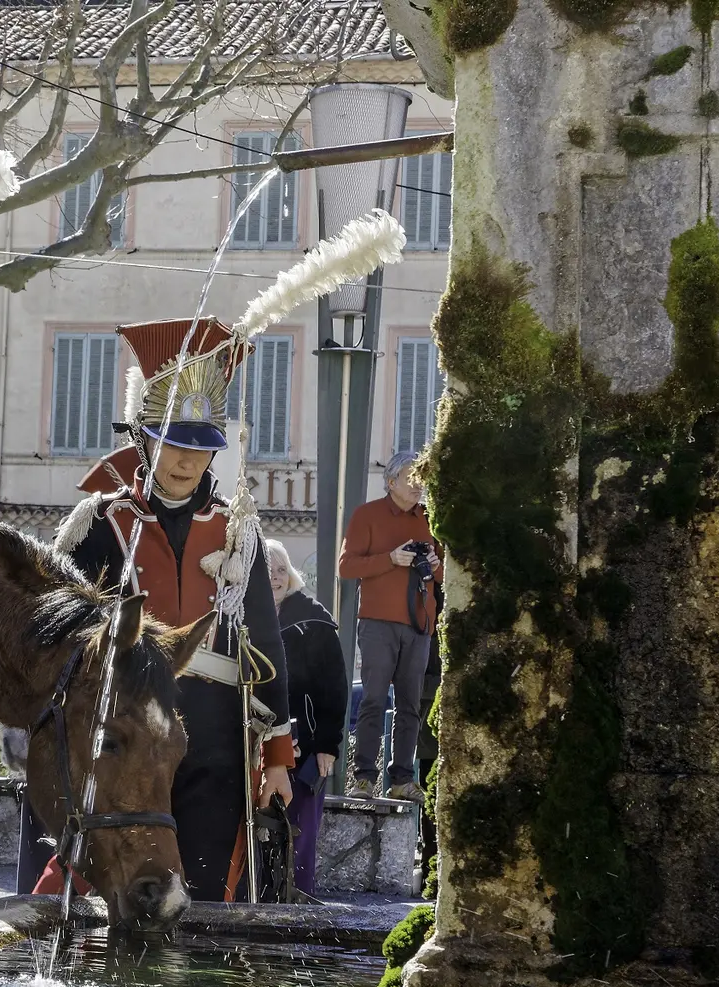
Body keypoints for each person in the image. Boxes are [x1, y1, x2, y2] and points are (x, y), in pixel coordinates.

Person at [45, 318, 294, 903]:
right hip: (123, 728)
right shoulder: (99, 525)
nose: (186, 459)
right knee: (113, 881)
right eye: (173, 442)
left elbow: (266, 641)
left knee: (204, 889)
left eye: (201, 447)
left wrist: (278, 755)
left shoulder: (238, 532)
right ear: (143, 439)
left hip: (214, 731)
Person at [338, 451, 443, 800]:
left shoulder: (431, 519)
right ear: (391, 481)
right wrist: (391, 559)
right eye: (412, 478)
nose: (418, 486)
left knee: (411, 704)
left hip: (419, 625)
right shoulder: (367, 515)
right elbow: (346, 566)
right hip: (378, 624)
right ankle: (364, 777)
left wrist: (433, 562)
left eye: (422, 479)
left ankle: (401, 779)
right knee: (373, 700)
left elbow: (442, 573)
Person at [265, 538, 347, 896]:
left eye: (281, 569)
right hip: (258, 743)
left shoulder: (313, 618)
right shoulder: (241, 615)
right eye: (266, 571)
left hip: (308, 745)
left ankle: (299, 899)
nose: (275, 577)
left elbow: (335, 687)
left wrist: (328, 745)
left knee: (302, 830)